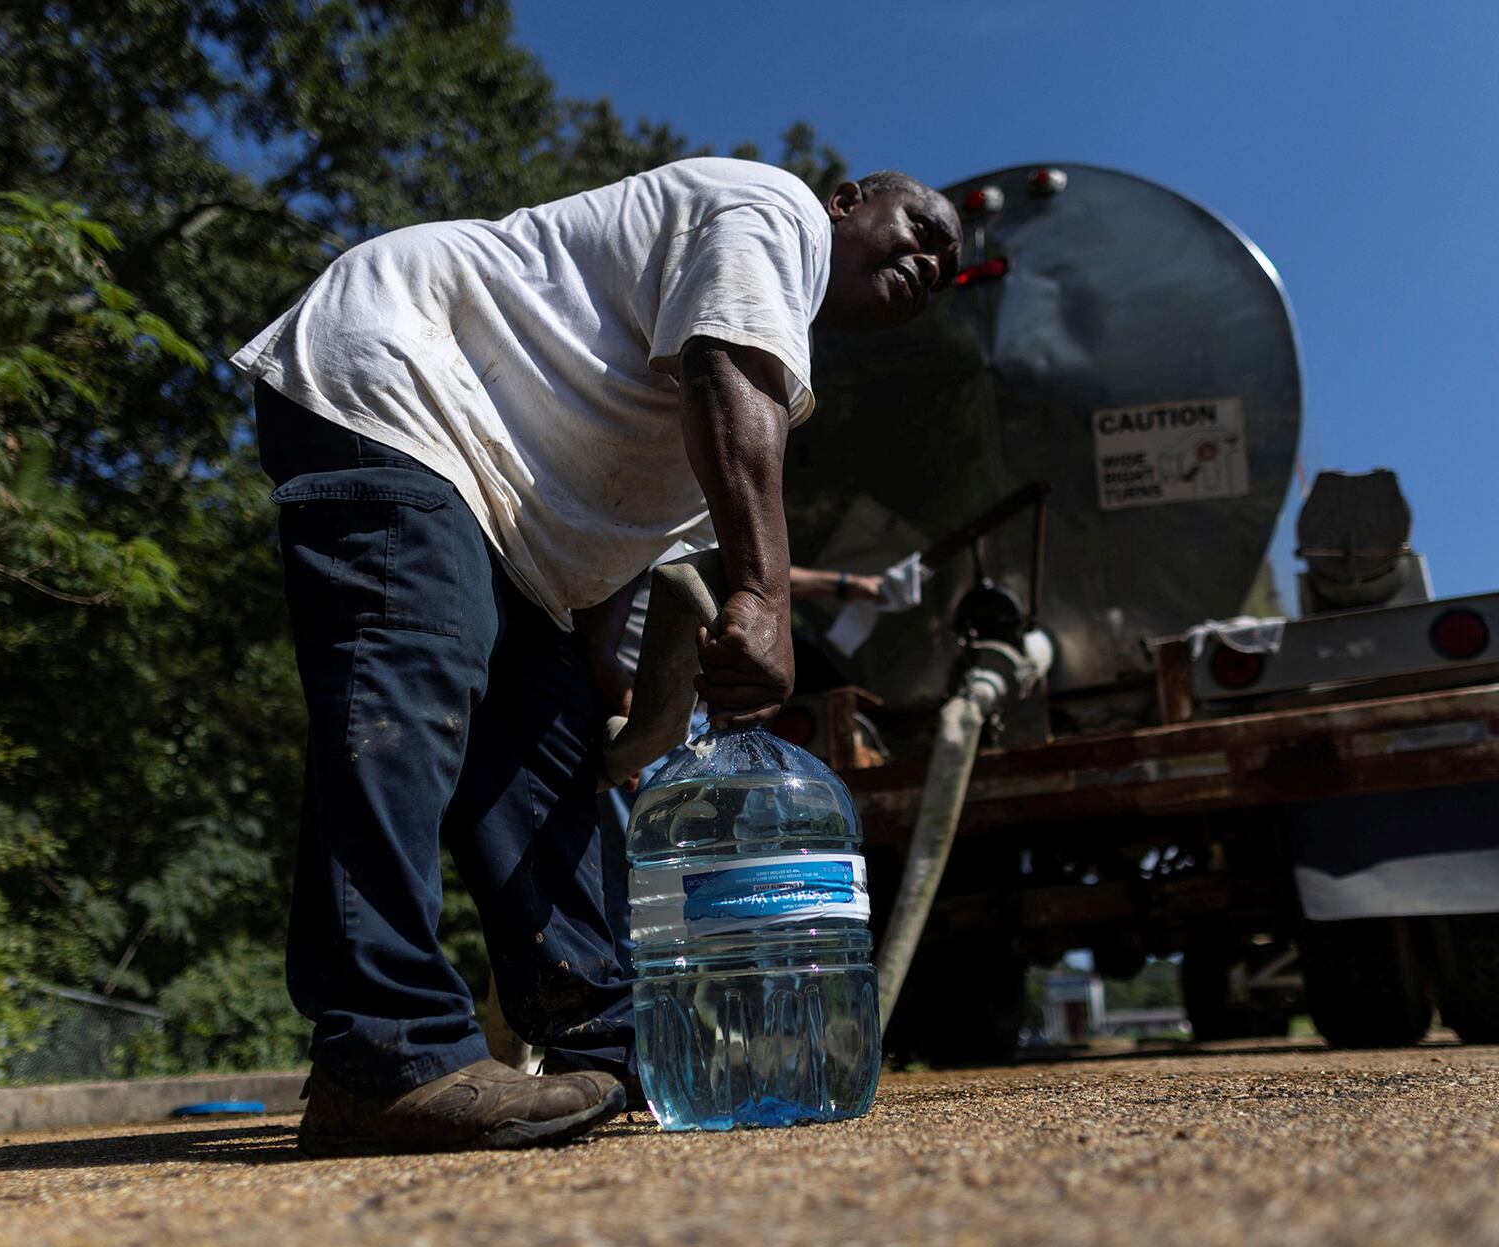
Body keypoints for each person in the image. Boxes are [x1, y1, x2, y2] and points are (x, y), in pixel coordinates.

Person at [232, 159, 961, 1155]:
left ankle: (614, 1041)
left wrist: (601, 678)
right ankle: (384, 1050)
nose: (932, 255)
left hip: (509, 507)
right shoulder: (774, 210)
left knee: (544, 753)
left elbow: (619, 535)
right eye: (920, 224)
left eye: (948, 261)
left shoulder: (768, 366)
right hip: (402, 378)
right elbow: (720, 372)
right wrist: (762, 591)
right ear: (847, 201)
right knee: (411, 685)